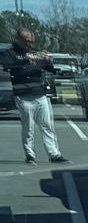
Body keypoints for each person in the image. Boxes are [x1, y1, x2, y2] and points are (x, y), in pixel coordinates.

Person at [1, 27, 70, 165]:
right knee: (28, 127)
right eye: (27, 42)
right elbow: (9, 65)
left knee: (47, 125)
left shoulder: (35, 54)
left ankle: (54, 153)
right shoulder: (9, 53)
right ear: (18, 40)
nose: (30, 45)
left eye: (32, 42)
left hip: (39, 93)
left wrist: (47, 60)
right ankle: (30, 155)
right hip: (23, 95)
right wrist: (26, 60)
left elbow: (49, 69)